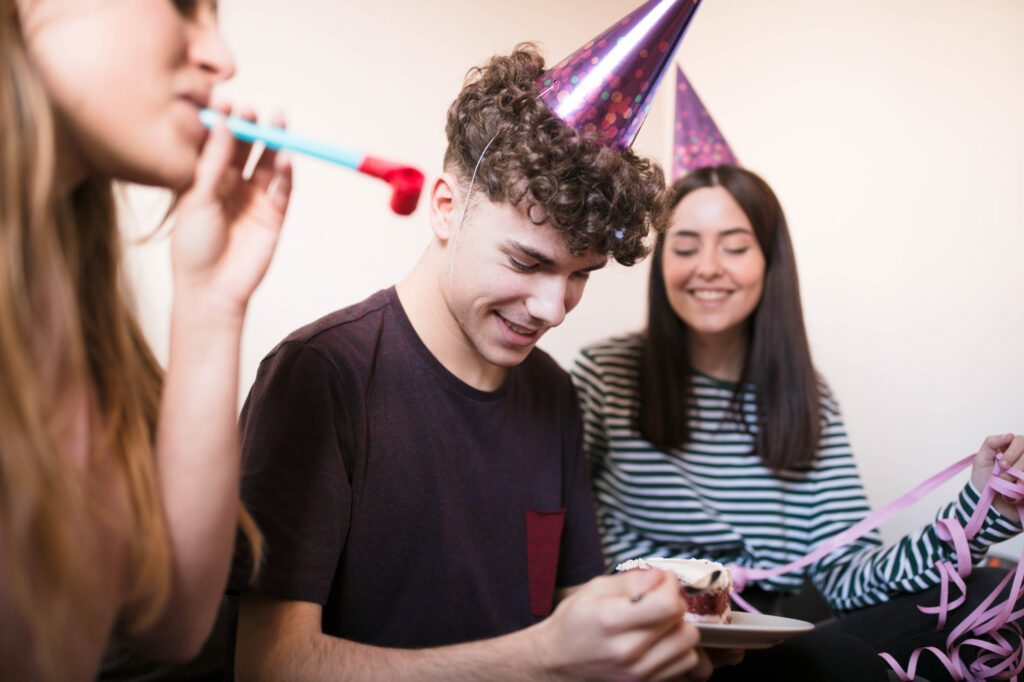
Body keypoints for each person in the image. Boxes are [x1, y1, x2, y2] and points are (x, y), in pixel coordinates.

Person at [226, 44, 739, 681]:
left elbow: (568, 605)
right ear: (445, 206)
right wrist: (542, 659)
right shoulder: (322, 376)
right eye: (528, 262)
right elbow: (270, 664)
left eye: (581, 274)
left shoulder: (553, 391)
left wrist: (644, 645)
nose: (553, 308)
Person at [571, 164, 1024, 681]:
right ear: (661, 263)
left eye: (735, 247)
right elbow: (557, 538)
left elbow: (849, 580)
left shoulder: (807, 396)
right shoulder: (606, 375)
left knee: (995, 590)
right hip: (648, 639)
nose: (709, 267)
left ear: (769, 262)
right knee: (840, 664)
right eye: (686, 245)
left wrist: (984, 507)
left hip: (768, 641)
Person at [0, 1, 292, 680]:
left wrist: (212, 303)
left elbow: (173, 620)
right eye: (184, 5)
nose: (222, 57)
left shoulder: (69, 305)